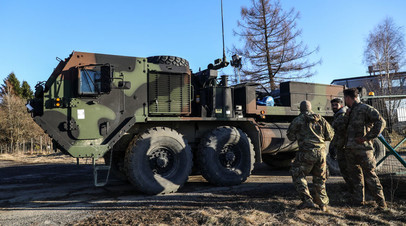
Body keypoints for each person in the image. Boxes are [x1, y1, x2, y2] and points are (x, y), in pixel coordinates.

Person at [342, 88, 387, 210]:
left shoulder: (365, 108)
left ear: (348, 98)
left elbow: (381, 122)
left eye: (345, 98)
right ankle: (358, 201)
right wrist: (346, 116)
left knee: (370, 176)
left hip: (364, 150)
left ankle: (381, 204)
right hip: (351, 150)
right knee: (356, 177)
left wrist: (367, 137)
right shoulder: (350, 111)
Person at [287, 100, 334, 212]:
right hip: (321, 153)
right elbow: (330, 135)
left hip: (306, 152)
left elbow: (290, 136)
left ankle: (307, 200)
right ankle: (323, 204)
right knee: (320, 178)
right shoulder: (321, 119)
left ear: (301, 109)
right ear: (310, 108)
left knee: (297, 173)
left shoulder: (298, 120)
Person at [330, 98, 353, 192]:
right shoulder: (338, 114)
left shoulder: (342, 115)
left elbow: (341, 130)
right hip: (341, 145)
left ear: (341, 105)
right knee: (344, 169)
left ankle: (353, 190)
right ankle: (352, 189)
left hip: (345, 146)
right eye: (333, 105)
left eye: (336, 105)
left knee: (346, 169)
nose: (334, 107)